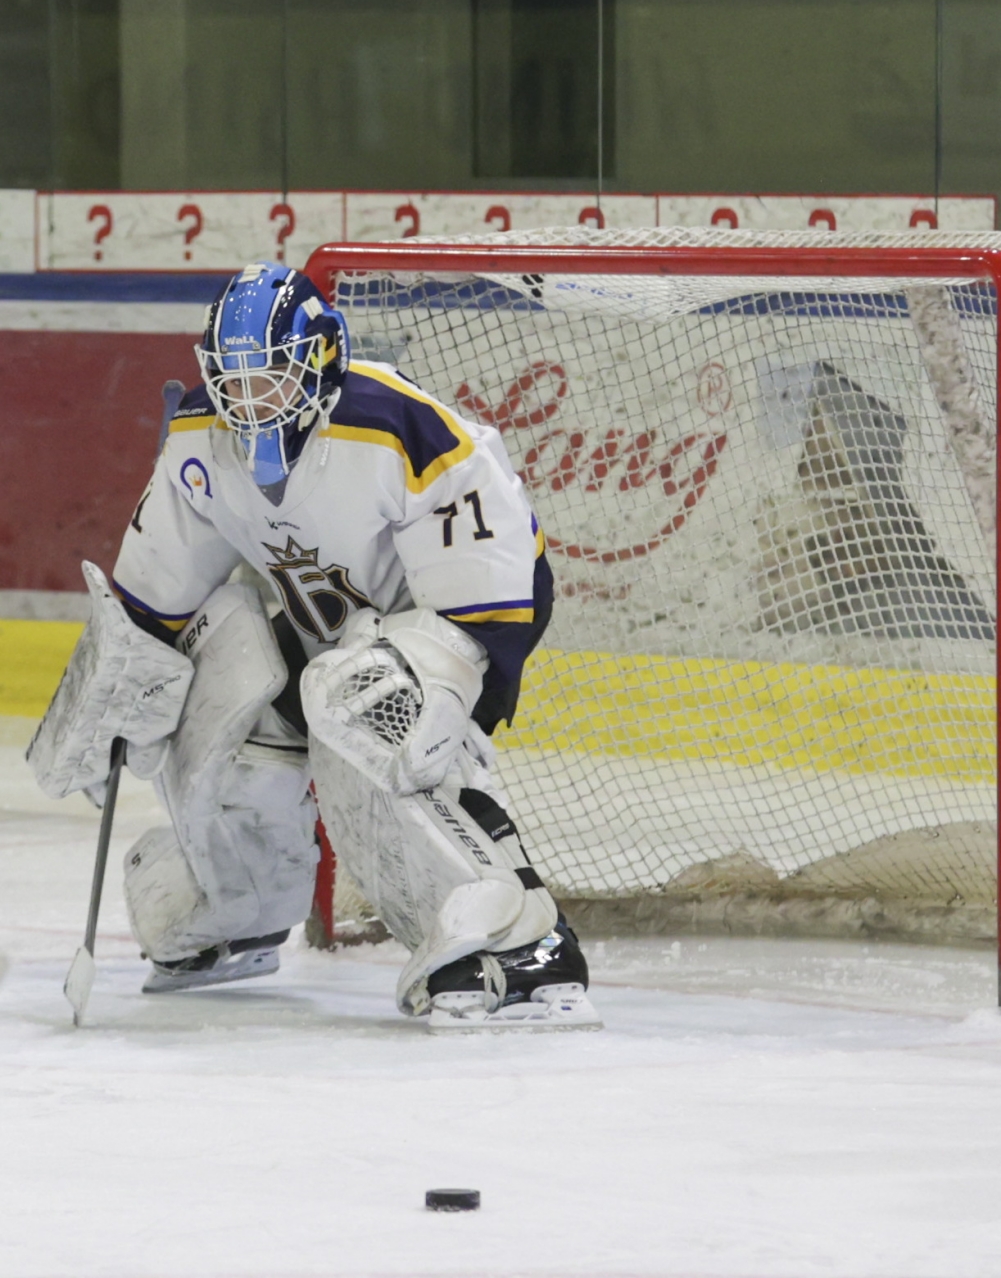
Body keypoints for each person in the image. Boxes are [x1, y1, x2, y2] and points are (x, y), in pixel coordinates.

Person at [28, 261, 598, 1030]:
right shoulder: (202, 440)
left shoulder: (402, 427)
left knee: (379, 712)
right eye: (232, 380)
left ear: (321, 363)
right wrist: (105, 700)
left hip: (469, 609)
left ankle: (522, 938)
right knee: (223, 690)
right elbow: (149, 606)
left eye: (271, 378)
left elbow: (490, 593)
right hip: (326, 629)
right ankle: (246, 907)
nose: (248, 401)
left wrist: (443, 698)